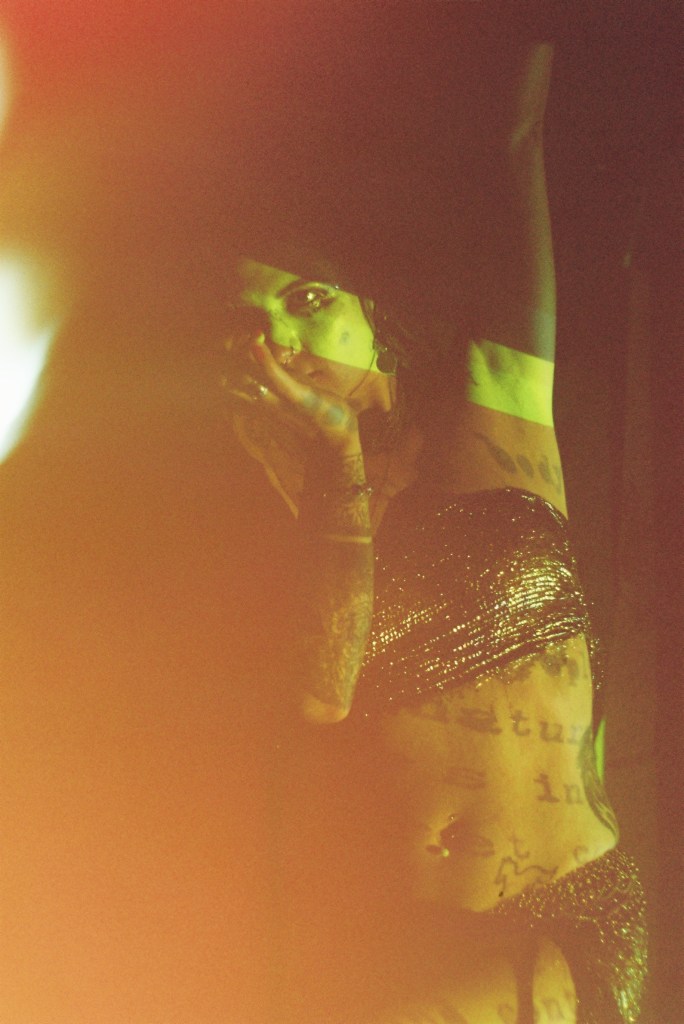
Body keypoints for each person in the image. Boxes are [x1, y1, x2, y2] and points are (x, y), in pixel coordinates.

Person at [220, 41, 646, 1024]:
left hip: (570, 897)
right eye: (257, 320)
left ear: (374, 313)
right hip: (407, 932)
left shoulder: (492, 410)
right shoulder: (276, 508)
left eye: (309, 299)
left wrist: (527, 39)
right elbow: (322, 694)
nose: (284, 336)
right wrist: (333, 455)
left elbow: (512, 143)